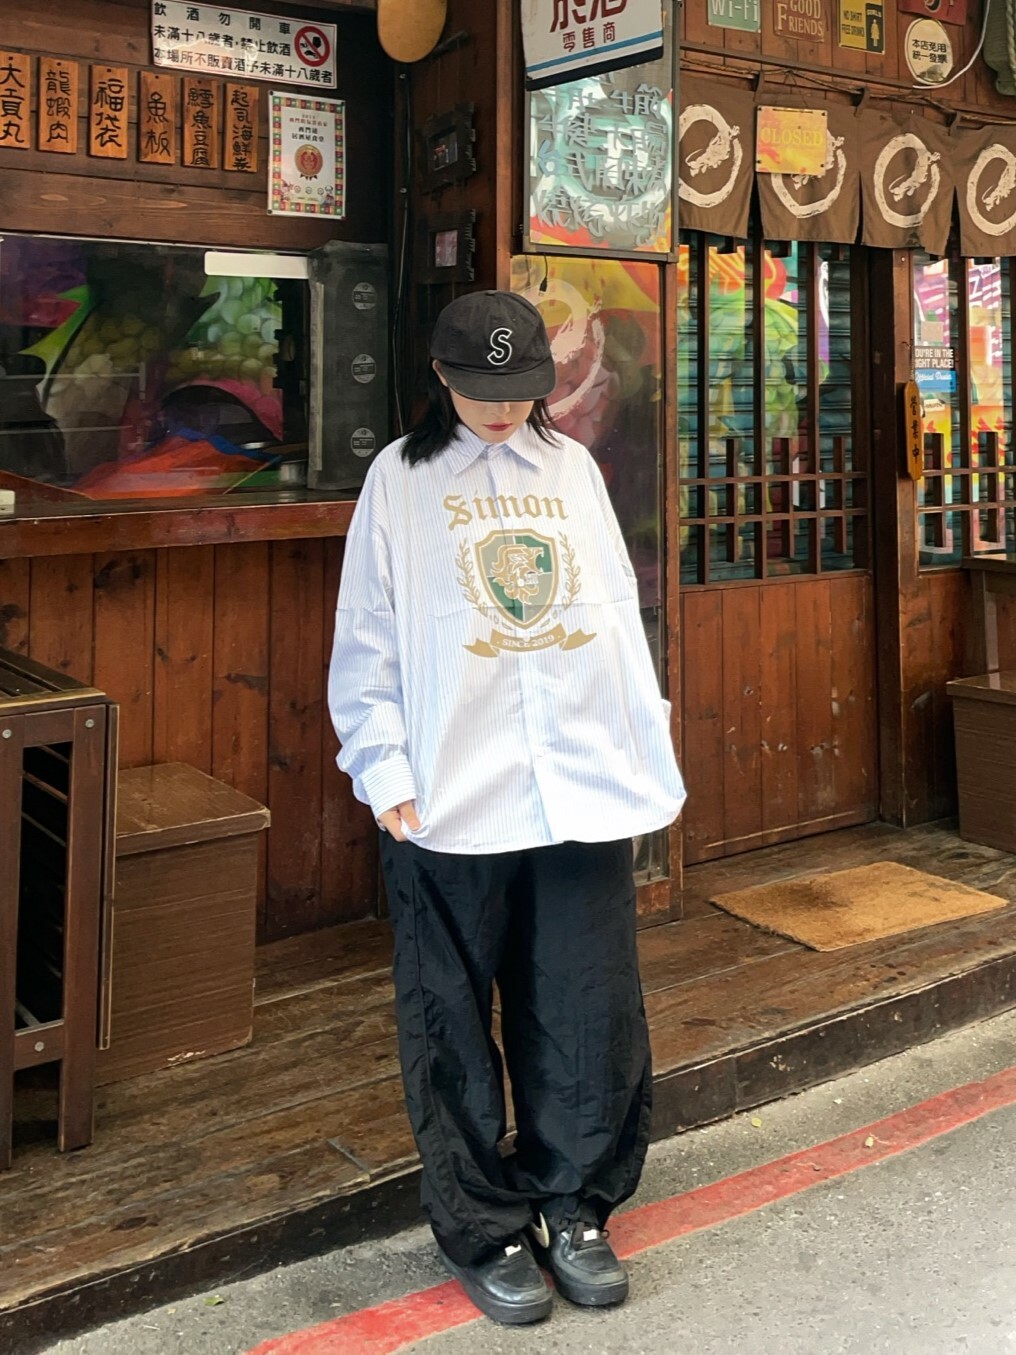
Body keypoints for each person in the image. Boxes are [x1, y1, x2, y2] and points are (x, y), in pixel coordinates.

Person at [328, 290, 686, 1326]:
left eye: (519, 389)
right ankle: (484, 1225)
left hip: (576, 781)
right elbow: (367, 633)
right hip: (450, 784)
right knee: (447, 1015)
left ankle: (575, 1204)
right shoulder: (398, 481)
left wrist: (640, 746)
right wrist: (383, 769)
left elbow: (612, 617)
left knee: (585, 1002)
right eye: (480, 388)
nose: (499, 409)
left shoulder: (571, 470)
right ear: (439, 375)